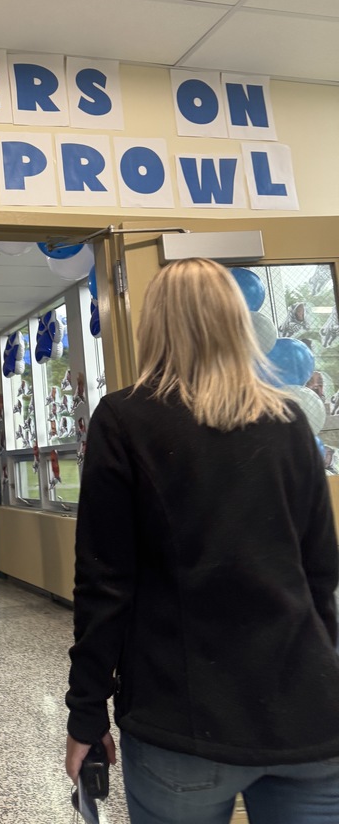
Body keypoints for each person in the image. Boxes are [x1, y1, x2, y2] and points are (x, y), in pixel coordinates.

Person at [65, 257, 339, 824]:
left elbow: (104, 584)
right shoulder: (289, 420)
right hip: (309, 715)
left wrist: (86, 715)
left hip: (181, 719)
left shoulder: (123, 418)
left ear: (154, 326)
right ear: (237, 322)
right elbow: (321, 576)